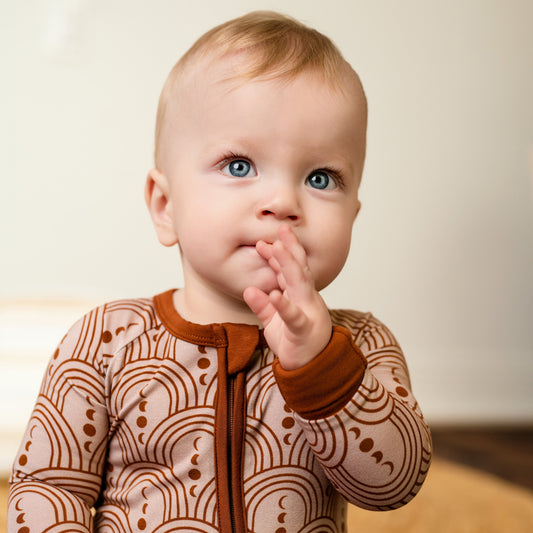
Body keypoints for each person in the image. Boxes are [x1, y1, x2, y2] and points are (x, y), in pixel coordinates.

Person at [8, 11, 432, 532]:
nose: (281, 201)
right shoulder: (105, 342)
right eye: (239, 166)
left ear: (353, 215)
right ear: (166, 206)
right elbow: (50, 488)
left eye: (321, 177)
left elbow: (393, 485)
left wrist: (320, 365)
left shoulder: (360, 346)